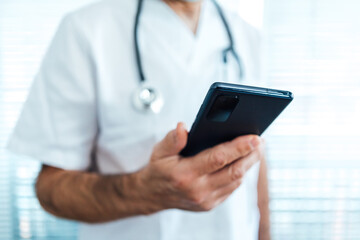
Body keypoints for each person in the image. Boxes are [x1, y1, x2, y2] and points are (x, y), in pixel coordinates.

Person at [7, 0, 270, 239]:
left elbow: (254, 159)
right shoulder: (87, 30)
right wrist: (144, 192)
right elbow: (51, 189)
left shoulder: (246, 35)